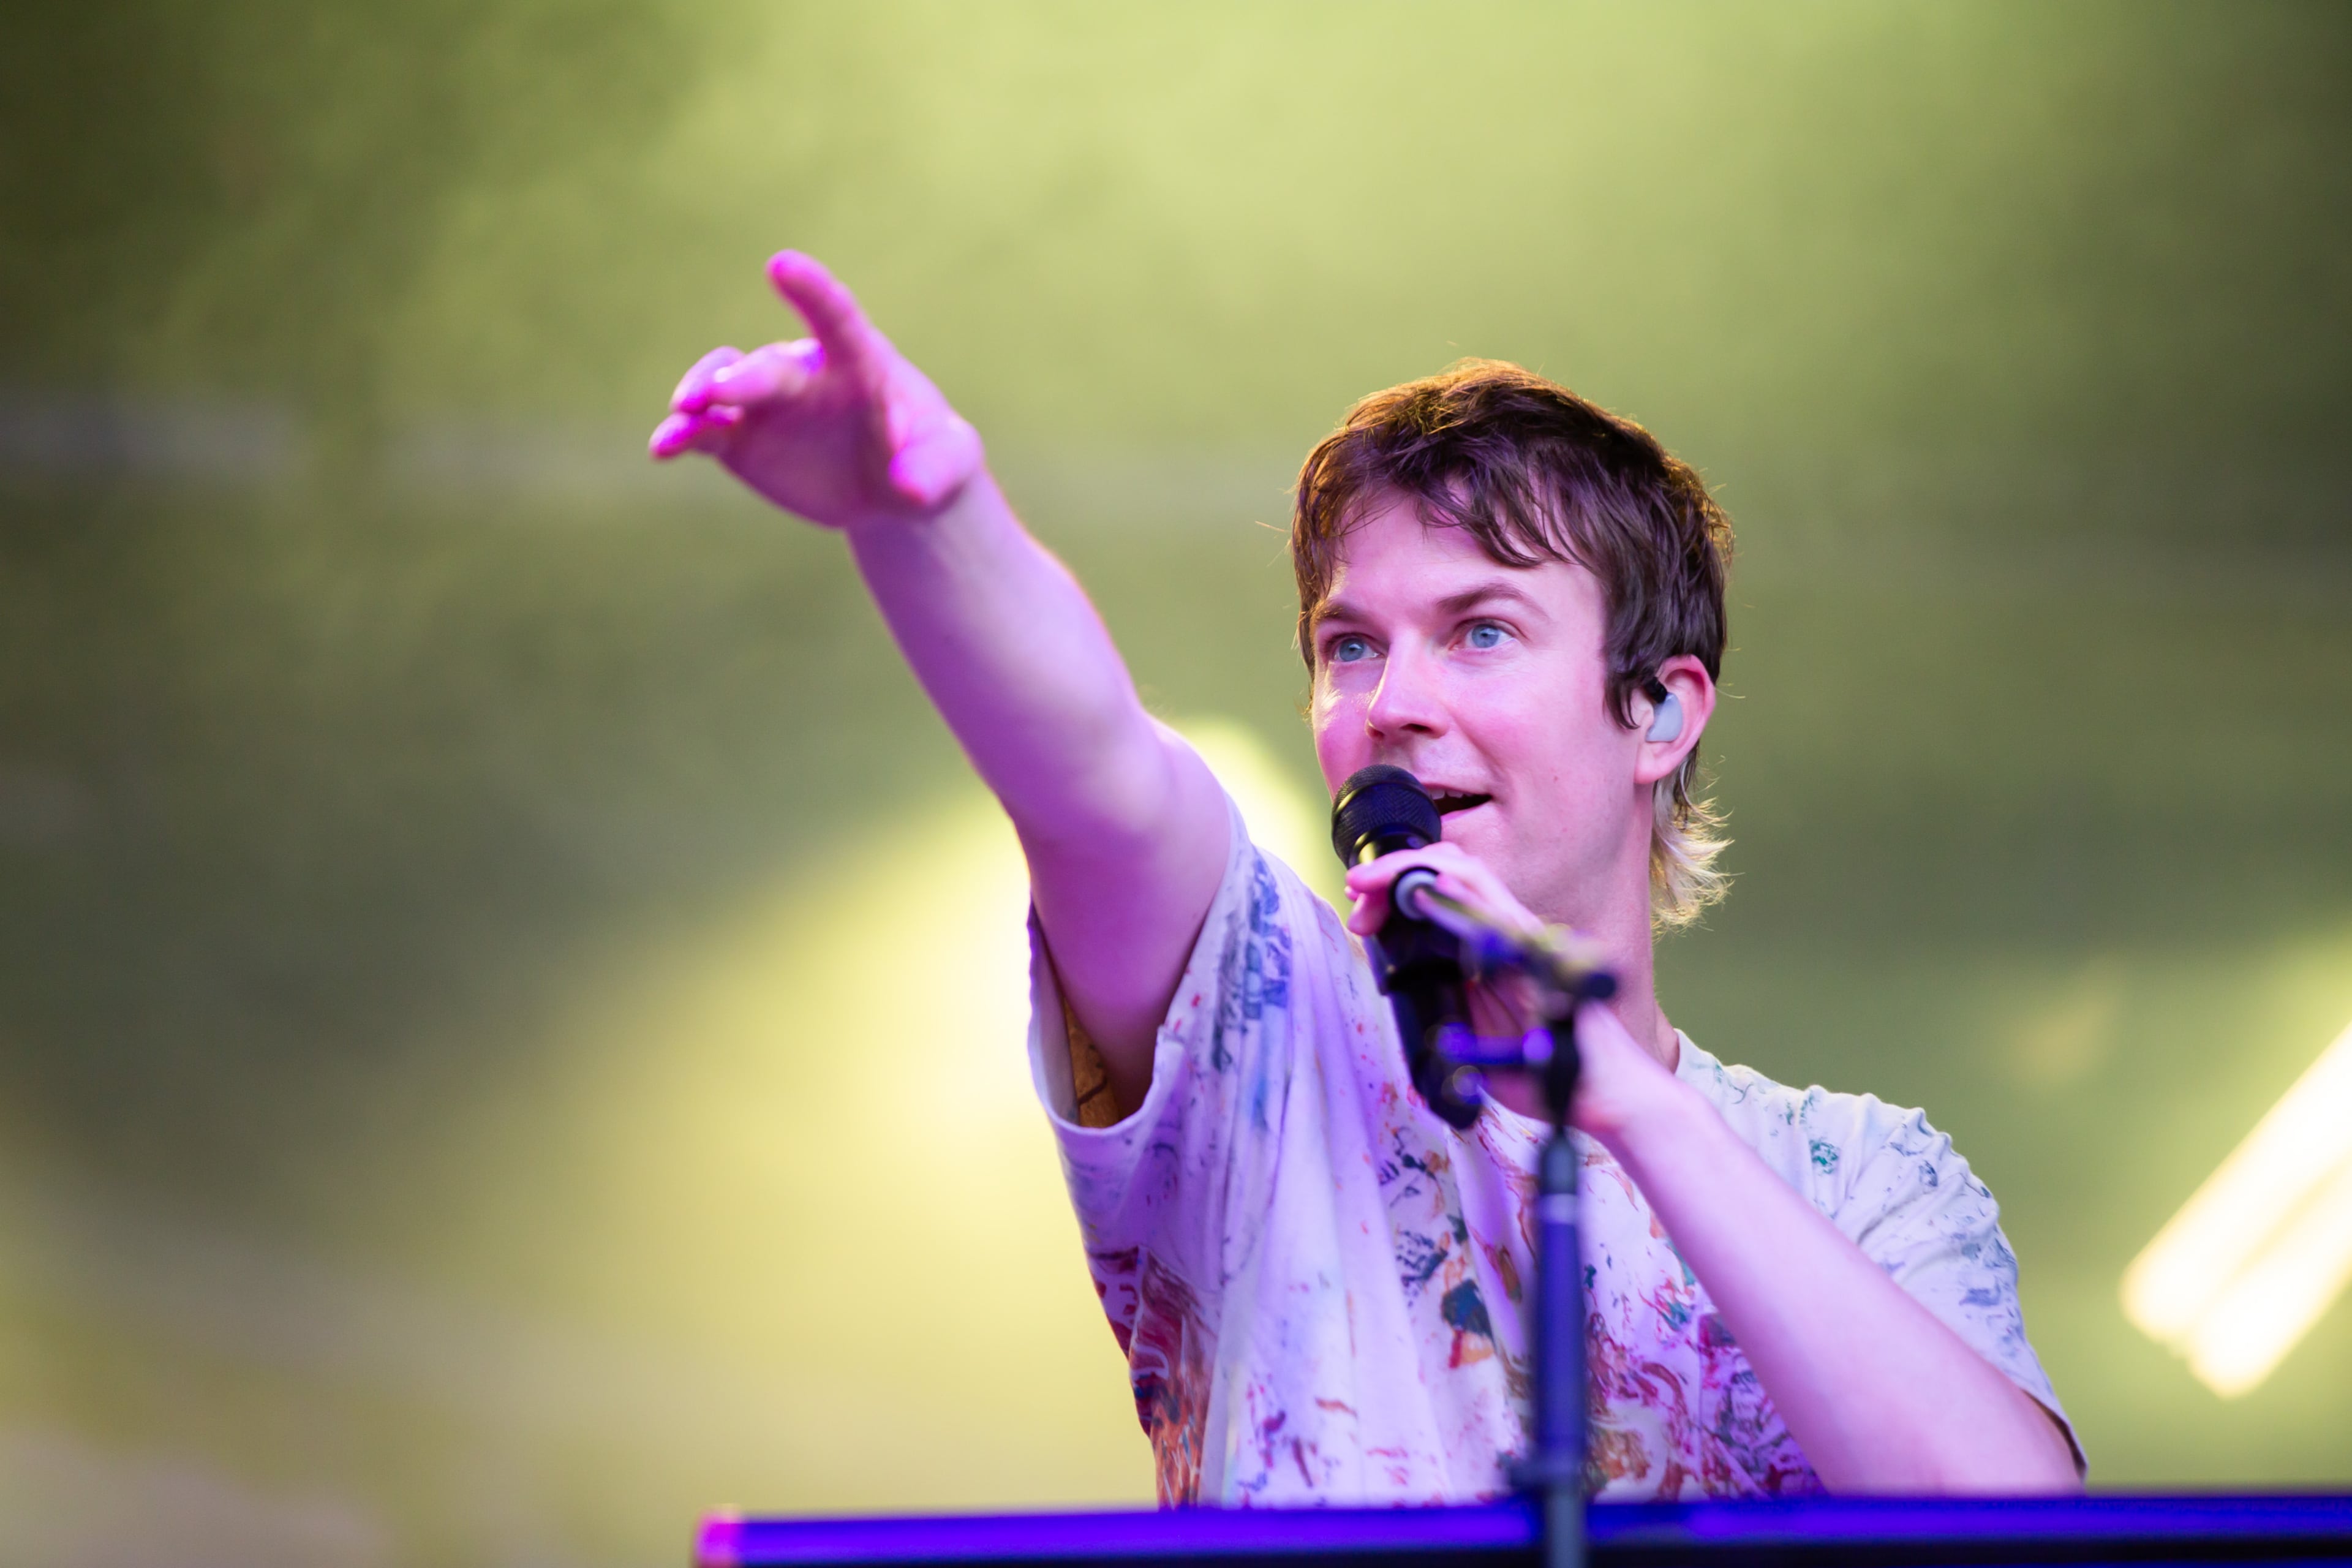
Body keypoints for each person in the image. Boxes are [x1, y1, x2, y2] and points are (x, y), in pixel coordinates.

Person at [650, 252, 2086, 1504]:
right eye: (1352, 645)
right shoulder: (1262, 1022)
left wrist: (1627, 1100)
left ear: (1660, 709)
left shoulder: (1871, 1176)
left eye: (1479, 632)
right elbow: (1095, 774)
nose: (1391, 699)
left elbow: (2017, 1526)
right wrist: (925, 512)